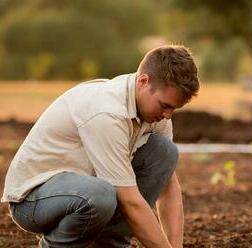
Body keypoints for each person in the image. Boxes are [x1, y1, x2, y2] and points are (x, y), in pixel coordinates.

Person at [2, 45, 200, 248]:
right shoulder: (107, 113)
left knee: (164, 152)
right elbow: (130, 202)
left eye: (174, 108)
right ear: (143, 81)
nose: (168, 115)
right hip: (33, 200)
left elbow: (168, 186)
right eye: (165, 105)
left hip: (85, 188)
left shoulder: (156, 114)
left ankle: (108, 244)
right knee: (100, 195)